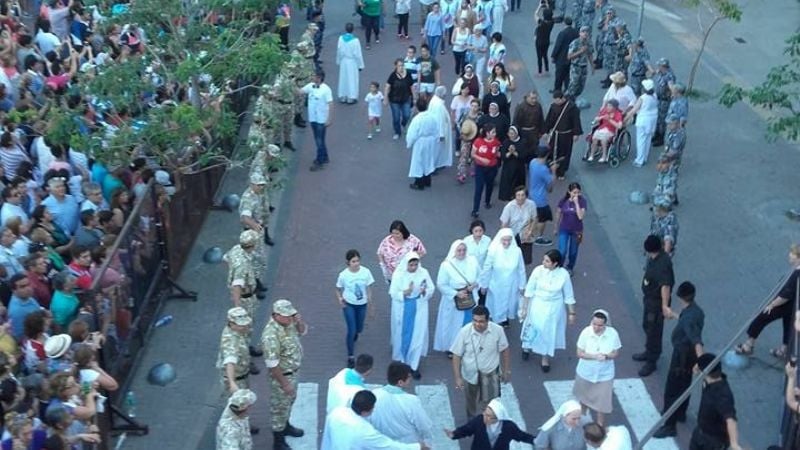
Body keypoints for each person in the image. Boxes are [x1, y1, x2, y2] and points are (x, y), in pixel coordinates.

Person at [652, 281, 704, 438]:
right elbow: (686, 320)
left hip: (682, 355)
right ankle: (681, 412)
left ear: (681, 297)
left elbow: (696, 339)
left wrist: (702, 361)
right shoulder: (696, 311)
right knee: (684, 384)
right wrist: (673, 314)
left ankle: (669, 423)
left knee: (673, 389)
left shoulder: (688, 317)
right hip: (689, 355)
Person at [735, 243, 800, 359]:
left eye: (793, 254)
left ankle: (748, 345)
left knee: (761, 318)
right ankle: (784, 349)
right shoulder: (795, 270)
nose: (789, 255)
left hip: (786, 304)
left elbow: (786, 296)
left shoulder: (796, 274)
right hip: (795, 305)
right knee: (788, 325)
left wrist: (771, 305)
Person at [261, 299, 308, 450]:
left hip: (293, 373)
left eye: (291, 315)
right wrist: (285, 384)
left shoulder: (288, 323)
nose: (290, 318)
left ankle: (286, 426)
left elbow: (301, 331)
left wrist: (299, 321)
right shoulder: (271, 335)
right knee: (279, 409)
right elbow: (272, 365)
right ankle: (278, 441)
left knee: (289, 403)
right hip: (282, 377)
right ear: (276, 315)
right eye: (286, 316)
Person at [519, 249, 576, 371]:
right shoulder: (538, 271)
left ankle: (545, 358)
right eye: (544, 260)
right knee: (533, 327)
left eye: (547, 261)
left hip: (554, 307)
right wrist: (524, 308)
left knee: (549, 332)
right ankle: (526, 346)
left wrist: (571, 313)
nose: (543, 262)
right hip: (538, 305)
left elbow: (569, 295)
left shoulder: (564, 275)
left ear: (555, 263)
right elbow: (529, 290)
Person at [450, 306, 511, 418]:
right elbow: (457, 355)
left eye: (481, 321)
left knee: (489, 404)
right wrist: (458, 378)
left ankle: (487, 423)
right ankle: (472, 422)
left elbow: (505, 350)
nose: (478, 324)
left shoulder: (498, 330)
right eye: (475, 321)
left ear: (488, 320)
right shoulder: (464, 332)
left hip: (491, 373)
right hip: (470, 375)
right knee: (471, 402)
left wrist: (506, 371)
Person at [322, 390, 426, 450]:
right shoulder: (364, 431)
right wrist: (417, 447)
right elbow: (389, 446)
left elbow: (327, 437)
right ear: (365, 412)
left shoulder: (337, 412)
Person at [632, 235, 675, 377]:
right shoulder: (655, 258)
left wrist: (664, 305)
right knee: (647, 326)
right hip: (649, 300)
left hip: (656, 304)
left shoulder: (663, 264)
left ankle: (652, 360)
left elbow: (665, 286)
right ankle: (649, 351)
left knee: (653, 330)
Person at [389, 252, 434, 379]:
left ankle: (414, 365)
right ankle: (402, 362)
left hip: (419, 307)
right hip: (403, 308)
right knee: (402, 335)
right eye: (411, 265)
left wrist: (425, 292)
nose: (414, 267)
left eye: (416, 264)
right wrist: (405, 292)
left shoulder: (423, 272)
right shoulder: (398, 274)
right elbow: (393, 293)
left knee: (417, 337)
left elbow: (431, 288)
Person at [573, 309, 620, 426]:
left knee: (602, 403)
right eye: (594, 324)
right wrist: (594, 356)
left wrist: (606, 356)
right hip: (586, 372)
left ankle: (600, 426)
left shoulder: (612, 334)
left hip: (604, 375)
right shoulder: (585, 332)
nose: (596, 327)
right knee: (583, 399)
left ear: (605, 324)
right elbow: (579, 353)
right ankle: (581, 420)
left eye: (600, 325)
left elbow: (616, 352)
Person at [370, 361, 435, 445]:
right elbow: (423, 425)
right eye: (408, 378)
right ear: (400, 382)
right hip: (406, 444)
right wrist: (427, 441)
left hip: (383, 443)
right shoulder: (411, 401)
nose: (410, 380)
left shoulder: (374, 394)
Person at [434, 240, 480, 354]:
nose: (462, 252)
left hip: (470, 298)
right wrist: (455, 293)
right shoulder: (446, 265)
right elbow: (441, 284)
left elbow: (480, 275)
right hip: (454, 300)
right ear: (454, 251)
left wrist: (475, 284)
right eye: (459, 250)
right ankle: (452, 347)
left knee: (469, 323)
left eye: (464, 250)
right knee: (452, 324)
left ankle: (468, 346)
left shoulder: (472, 261)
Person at [690, 354, 744, 450]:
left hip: (713, 443)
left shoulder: (722, 395)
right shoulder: (708, 381)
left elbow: (731, 419)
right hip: (700, 432)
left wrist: (734, 443)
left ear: (704, 372)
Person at [335, 250, 375, 367]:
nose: (356, 263)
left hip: (362, 304)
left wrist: (370, 303)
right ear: (348, 262)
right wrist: (340, 299)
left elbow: (368, 288)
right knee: (351, 330)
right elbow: (337, 289)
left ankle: (357, 332)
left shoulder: (366, 272)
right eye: (353, 261)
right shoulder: (343, 275)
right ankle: (351, 356)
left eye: (358, 260)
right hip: (349, 304)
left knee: (359, 328)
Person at [445, 398, 533, 449]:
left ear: (497, 418)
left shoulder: (508, 427)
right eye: (485, 413)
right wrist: (454, 434)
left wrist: (536, 441)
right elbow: (467, 429)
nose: (485, 417)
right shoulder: (479, 421)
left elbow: (522, 436)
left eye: (488, 416)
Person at [542, 90, 583, 179]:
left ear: (562, 98)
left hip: (566, 135)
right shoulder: (553, 107)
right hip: (556, 134)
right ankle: (552, 167)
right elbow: (549, 120)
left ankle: (561, 171)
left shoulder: (572, 108)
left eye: (557, 100)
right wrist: (545, 131)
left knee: (564, 153)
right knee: (552, 150)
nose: (555, 102)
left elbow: (576, 121)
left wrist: (576, 134)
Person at [216, 307, 253, 399]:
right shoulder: (230, 340)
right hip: (237, 379)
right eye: (241, 325)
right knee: (238, 407)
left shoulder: (236, 330)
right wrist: (232, 383)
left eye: (246, 324)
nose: (245, 327)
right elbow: (230, 361)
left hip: (242, 373)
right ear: (231, 324)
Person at [301, 71, 334, 172]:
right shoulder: (310, 86)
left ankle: (320, 160)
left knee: (319, 140)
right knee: (318, 139)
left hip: (321, 119)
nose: (312, 77)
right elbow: (300, 92)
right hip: (313, 118)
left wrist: (329, 119)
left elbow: (331, 104)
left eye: (314, 76)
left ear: (319, 78)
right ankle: (325, 156)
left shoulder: (326, 89)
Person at [406, 98, 439, 190]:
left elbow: (412, 133)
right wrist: (436, 140)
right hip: (430, 141)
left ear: (417, 107)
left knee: (418, 161)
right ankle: (427, 180)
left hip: (420, 142)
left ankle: (419, 183)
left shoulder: (417, 119)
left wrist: (409, 143)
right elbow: (436, 129)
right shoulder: (432, 117)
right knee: (428, 160)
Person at [499, 187, 537, 266]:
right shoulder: (509, 206)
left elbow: (534, 218)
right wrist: (505, 237)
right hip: (513, 234)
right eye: (518, 195)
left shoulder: (531, 204)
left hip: (525, 234)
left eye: (523, 195)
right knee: (512, 258)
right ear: (515, 196)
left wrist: (530, 231)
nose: (520, 198)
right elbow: (504, 223)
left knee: (525, 259)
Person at [470, 123, 502, 218]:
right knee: (478, 188)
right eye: (493, 132)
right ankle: (475, 209)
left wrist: (499, 155)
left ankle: (487, 201)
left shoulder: (496, 142)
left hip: (492, 167)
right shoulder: (478, 141)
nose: (494, 134)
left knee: (490, 185)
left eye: (495, 132)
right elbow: (473, 154)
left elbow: (497, 152)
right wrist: (481, 159)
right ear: (487, 133)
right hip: (480, 167)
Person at [554, 183, 587, 273]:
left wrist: (576, 203)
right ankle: (559, 267)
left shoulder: (582, 201)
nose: (576, 195)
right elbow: (558, 214)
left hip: (577, 230)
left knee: (573, 251)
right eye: (574, 192)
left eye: (578, 192)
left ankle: (570, 267)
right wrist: (556, 227)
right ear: (569, 192)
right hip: (564, 228)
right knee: (562, 250)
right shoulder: (563, 201)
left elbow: (580, 216)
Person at [527, 145, 557, 245]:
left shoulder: (533, 162)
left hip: (532, 193)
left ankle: (531, 233)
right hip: (540, 198)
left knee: (534, 216)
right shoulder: (543, 170)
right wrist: (553, 171)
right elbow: (551, 185)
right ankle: (538, 237)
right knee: (542, 219)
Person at [626, 78, 658, 167]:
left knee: (641, 140)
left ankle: (639, 160)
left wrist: (626, 118)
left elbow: (634, 110)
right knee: (648, 139)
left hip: (643, 120)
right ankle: (644, 157)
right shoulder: (654, 96)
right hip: (652, 120)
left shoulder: (642, 98)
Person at [497, 128, 531, 202]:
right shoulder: (506, 142)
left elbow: (524, 155)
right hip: (508, 169)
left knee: (518, 186)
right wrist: (509, 153)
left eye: (512, 133)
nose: (510, 135)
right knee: (507, 189)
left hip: (519, 169)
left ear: (517, 133)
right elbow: (503, 156)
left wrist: (515, 152)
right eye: (509, 133)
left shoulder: (523, 142)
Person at [385, 58, 415, 140]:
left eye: (402, 65)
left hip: (406, 99)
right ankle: (397, 132)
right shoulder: (393, 76)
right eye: (399, 66)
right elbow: (387, 87)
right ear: (395, 66)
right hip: (394, 100)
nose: (401, 67)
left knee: (407, 115)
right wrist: (385, 98)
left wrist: (414, 97)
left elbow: (411, 86)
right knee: (396, 117)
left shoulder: (408, 74)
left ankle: (403, 124)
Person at [336, 23, 365, 104]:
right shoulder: (355, 40)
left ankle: (343, 96)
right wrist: (360, 65)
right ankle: (351, 97)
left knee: (343, 78)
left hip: (343, 61)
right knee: (352, 79)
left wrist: (338, 61)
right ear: (353, 29)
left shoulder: (341, 38)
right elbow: (358, 54)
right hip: (352, 62)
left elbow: (339, 51)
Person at [587, 98, 622, 164]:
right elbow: (596, 119)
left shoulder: (618, 114)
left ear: (614, 108)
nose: (607, 107)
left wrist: (609, 120)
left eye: (610, 106)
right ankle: (591, 155)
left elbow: (619, 126)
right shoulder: (604, 111)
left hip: (611, 130)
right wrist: (602, 117)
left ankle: (604, 156)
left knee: (603, 140)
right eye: (607, 105)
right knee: (594, 138)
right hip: (601, 128)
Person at [429, 86, 454, 170]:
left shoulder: (435, 101)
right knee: (437, 150)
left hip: (436, 130)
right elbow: (439, 120)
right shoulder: (438, 105)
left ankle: (438, 164)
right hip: (439, 131)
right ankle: (434, 166)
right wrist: (441, 134)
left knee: (438, 149)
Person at [652, 58, 676, 147]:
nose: (658, 67)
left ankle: (660, 138)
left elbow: (671, 86)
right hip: (658, 99)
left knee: (662, 120)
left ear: (663, 66)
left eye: (659, 65)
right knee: (657, 119)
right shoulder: (661, 73)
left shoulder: (669, 75)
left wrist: (674, 94)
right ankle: (656, 134)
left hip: (664, 101)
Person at [551, 18, 579, 93]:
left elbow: (558, 45)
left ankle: (557, 90)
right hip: (571, 56)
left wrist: (553, 56)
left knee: (559, 74)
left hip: (561, 57)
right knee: (568, 74)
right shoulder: (576, 32)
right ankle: (567, 89)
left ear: (564, 23)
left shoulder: (562, 33)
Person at [565, 26, 593, 99]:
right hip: (575, 67)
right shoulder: (575, 43)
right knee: (573, 85)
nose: (585, 33)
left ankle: (574, 99)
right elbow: (569, 56)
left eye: (587, 32)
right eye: (583, 32)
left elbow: (590, 54)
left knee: (581, 86)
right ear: (580, 33)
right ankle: (567, 99)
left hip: (584, 67)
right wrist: (580, 51)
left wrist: (592, 66)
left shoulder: (589, 42)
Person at [466, 25, 489, 91]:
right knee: (470, 71)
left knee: (479, 73)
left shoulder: (484, 38)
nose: (478, 32)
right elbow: (467, 46)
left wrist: (479, 50)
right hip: (471, 57)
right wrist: (472, 48)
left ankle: (479, 87)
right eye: (477, 30)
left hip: (481, 57)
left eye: (479, 30)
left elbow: (485, 49)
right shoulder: (471, 37)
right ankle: (470, 84)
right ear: (474, 30)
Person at [535, 7, 554, 76]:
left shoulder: (541, 22)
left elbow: (535, 14)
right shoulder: (552, 22)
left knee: (539, 57)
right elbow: (550, 12)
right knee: (545, 55)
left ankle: (540, 72)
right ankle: (547, 70)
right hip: (547, 41)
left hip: (539, 42)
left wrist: (539, 7)